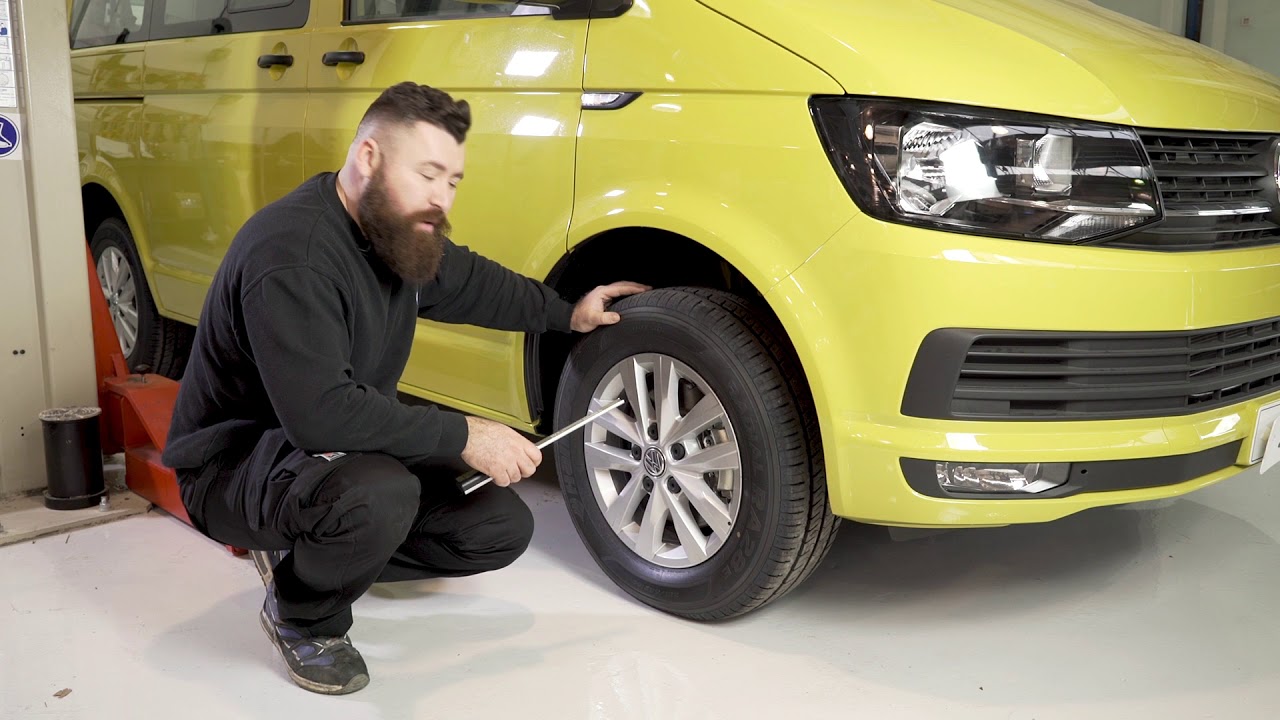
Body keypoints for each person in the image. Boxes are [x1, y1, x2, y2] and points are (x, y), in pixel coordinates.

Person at [161, 82, 649, 695]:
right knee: (378, 494)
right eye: (427, 174)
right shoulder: (294, 255)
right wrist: (467, 433)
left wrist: (566, 311)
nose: (440, 199)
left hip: (332, 451)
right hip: (237, 464)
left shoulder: (395, 230)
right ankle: (301, 614)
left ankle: (317, 548)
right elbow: (320, 416)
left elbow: (475, 283)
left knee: (497, 528)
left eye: (452, 181)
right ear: (369, 157)